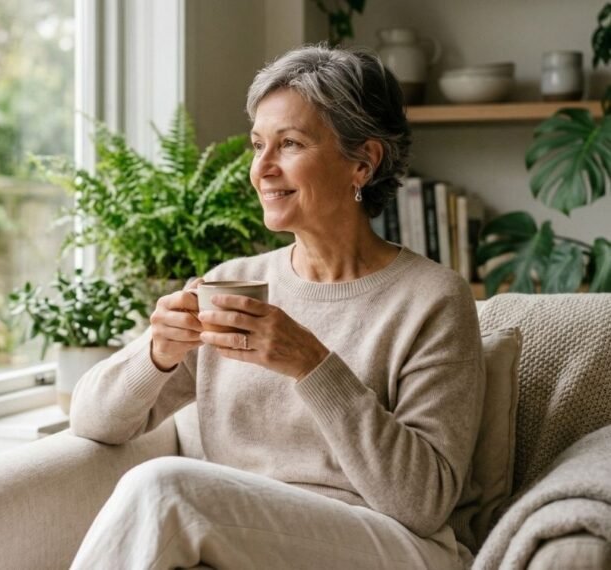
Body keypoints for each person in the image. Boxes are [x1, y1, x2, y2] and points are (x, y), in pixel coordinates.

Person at [68, 43, 485, 570]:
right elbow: (92, 421)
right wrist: (157, 353)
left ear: (363, 162)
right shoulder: (233, 284)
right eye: (258, 144)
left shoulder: (433, 299)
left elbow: (423, 504)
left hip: (390, 543)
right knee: (168, 494)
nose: (262, 168)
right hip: (245, 539)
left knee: (166, 488)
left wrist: (311, 363)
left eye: (289, 144)